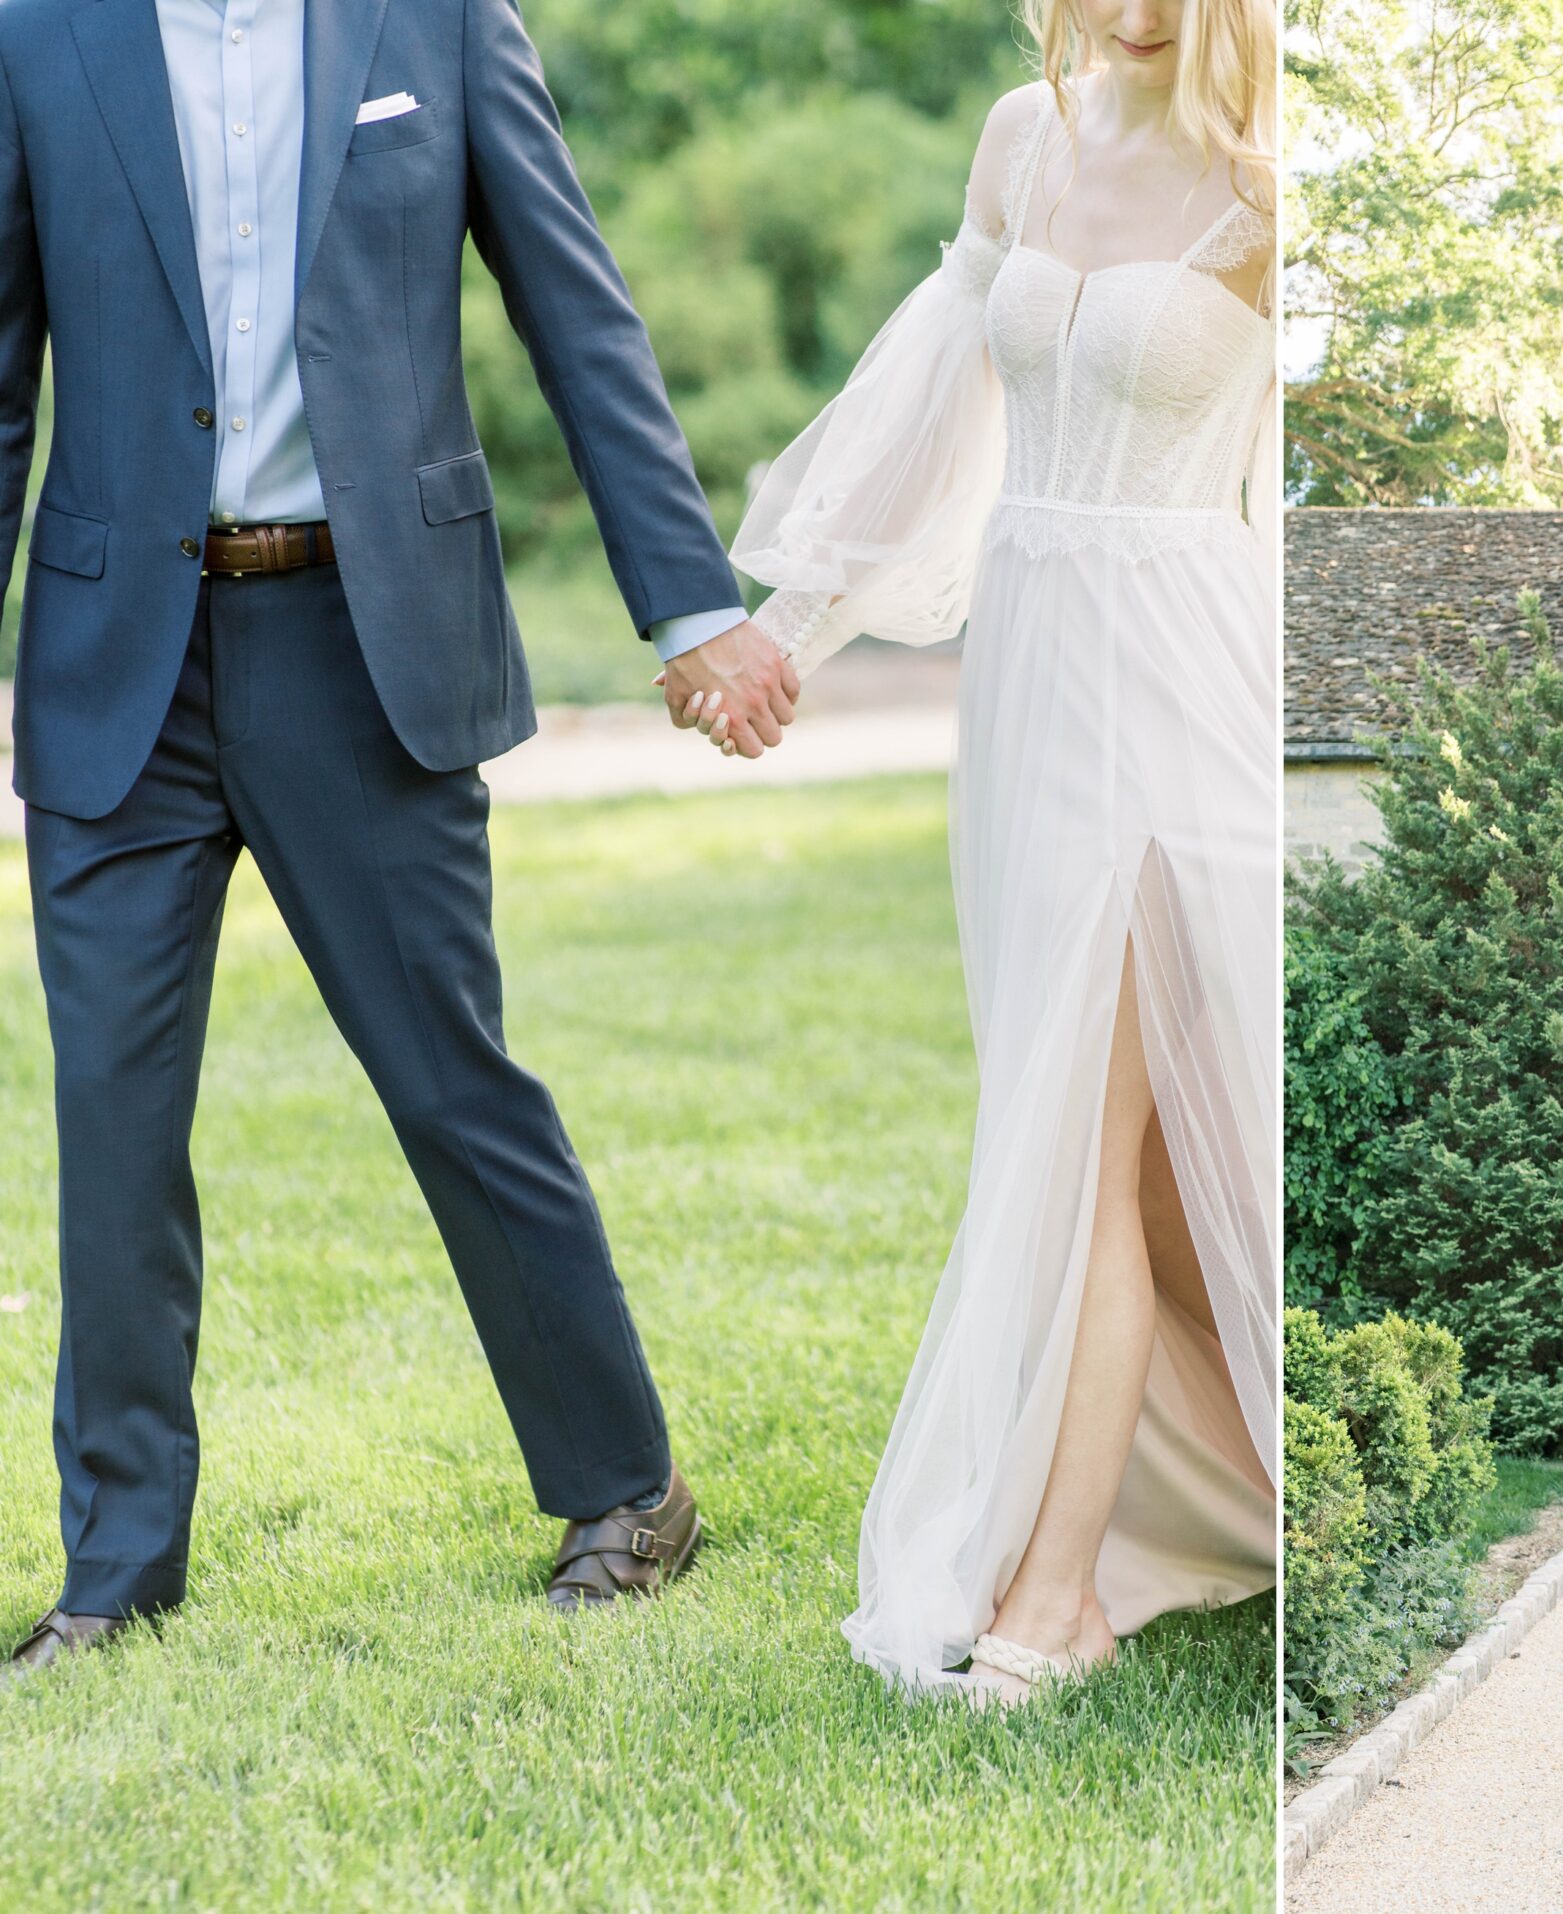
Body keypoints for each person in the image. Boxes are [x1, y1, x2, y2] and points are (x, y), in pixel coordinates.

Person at [0, 0, 802, 1680]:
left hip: (366, 649)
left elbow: (577, 311)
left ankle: (626, 1487)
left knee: (453, 1078)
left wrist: (688, 604)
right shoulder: (38, 31)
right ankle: (119, 1566)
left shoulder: (427, 16)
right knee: (113, 1124)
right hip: (115, 664)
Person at [723, 0, 1280, 1703]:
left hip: (1185, 673)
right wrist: (792, 630)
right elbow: (926, 412)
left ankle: (1056, 1592)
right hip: (1033, 670)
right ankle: (1246, 1482)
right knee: (1094, 1129)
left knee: (1092, 1127)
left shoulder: (1276, 177)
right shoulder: (1019, 138)